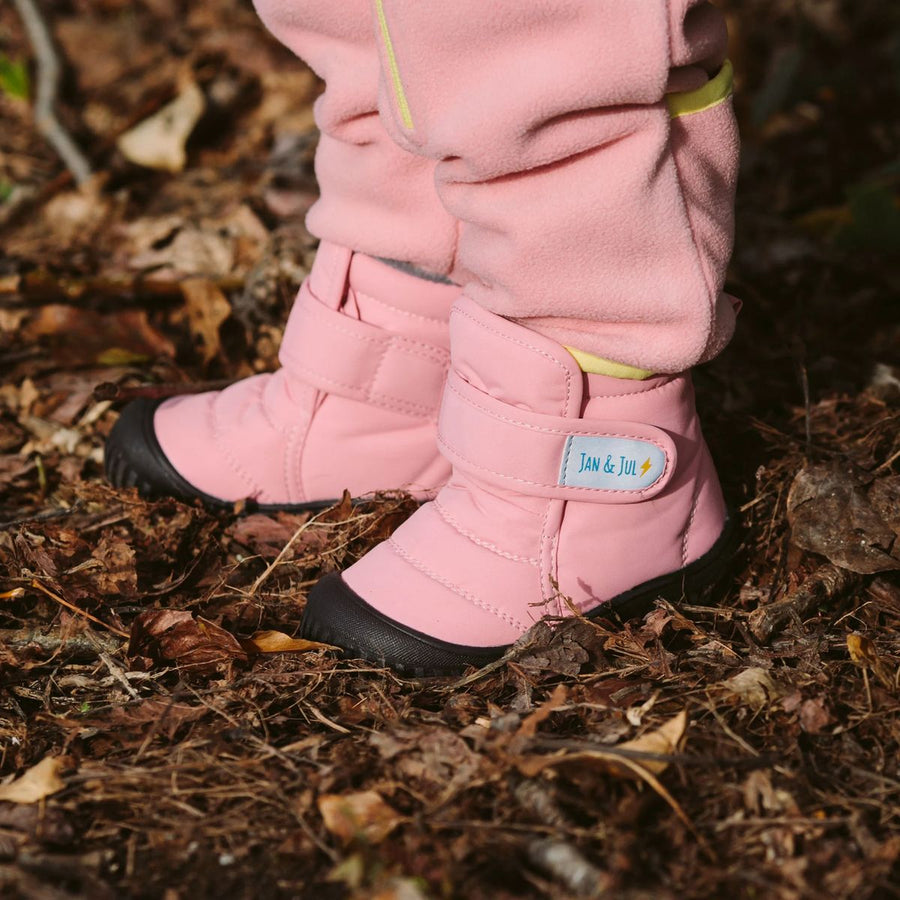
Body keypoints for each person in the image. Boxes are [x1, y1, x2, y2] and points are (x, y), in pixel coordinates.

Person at [106, 0, 740, 674]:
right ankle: (402, 349)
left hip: (596, 461)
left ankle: (599, 420)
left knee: (550, 40)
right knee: (379, 26)